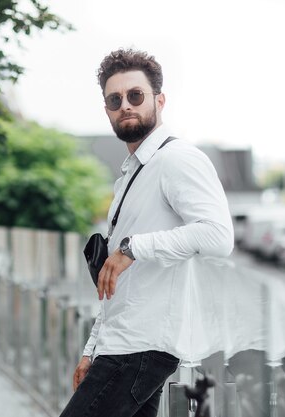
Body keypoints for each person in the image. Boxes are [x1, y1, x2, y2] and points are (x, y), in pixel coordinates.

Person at [60, 49, 234, 417]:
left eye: (135, 95)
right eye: (114, 99)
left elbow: (219, 236)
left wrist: (133, 247)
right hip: (122, 344)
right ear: (106, 109)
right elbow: (115, 283)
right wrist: (93, 349)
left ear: (159, 100)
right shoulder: (131, 176)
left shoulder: (177, 159)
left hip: (142, 346)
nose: (125, 105)